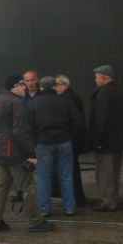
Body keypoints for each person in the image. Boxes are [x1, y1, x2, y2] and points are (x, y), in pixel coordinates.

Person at [0, 75, 53, 233]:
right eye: (21, 85)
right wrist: (30, 153)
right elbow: (21, 131)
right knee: (29, 185)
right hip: (14, 152)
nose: (25, 87)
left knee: (0, 188)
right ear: (13, 87)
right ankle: (36, 221)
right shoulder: (16, 103)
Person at [29, 76, 83, 217]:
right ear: (54, 87)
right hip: (64, 141)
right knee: (66, 176)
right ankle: (69, 208)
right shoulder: (65, 101)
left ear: (41, 88)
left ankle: (44, 209)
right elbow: (78, 122)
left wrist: (35, 141)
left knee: (43, 177)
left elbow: (29, 126)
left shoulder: (35, 103)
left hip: (43, 143)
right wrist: (70, 137)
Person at [90, 65, 123, 212]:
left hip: (105, 142)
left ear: (103, 77)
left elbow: (100, 119)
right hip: (119, 140)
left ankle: (107, 202)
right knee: (115, 173)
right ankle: (114, 200)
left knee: (104, 174)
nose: (95, 80)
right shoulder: (121, 92)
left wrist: (97, 141)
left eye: (96, 77)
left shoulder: (103, 94)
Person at [54, 75, 87, 205]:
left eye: (57, 84)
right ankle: (76, 197)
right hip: (72, 140)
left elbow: (76, 123)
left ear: (65, 85)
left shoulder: (68, 99)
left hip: (71, 141)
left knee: (70, 171)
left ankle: (77, 198)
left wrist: (70, 139)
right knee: (71, 170)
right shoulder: (69, 97)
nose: (55, 87)